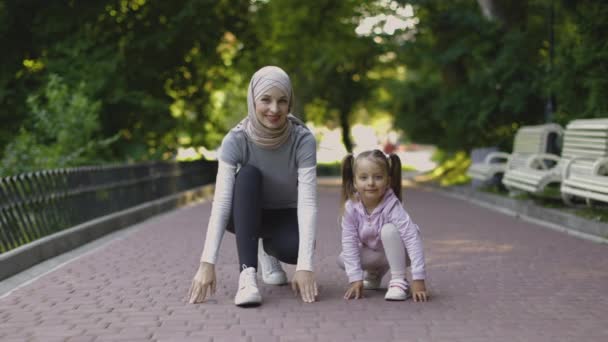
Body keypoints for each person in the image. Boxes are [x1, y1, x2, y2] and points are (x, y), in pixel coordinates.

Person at [188, 66, 319, 307]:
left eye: (282, 101)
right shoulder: (236, 139)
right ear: (252, 100)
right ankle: (247, 275)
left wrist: (305, 266)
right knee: (247, 175)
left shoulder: (303, 139)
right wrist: (207, 263)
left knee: (297, 248)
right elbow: (222, 203)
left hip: (284, 212)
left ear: (290, 104)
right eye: (266, 100)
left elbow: (308, 202)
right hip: (244, 212)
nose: (274, 109)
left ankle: (266, 249)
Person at [337, 149, 428, 302]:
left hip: (403, 252)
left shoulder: (392, 206)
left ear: (388, 181)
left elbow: (411, 238)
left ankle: (399, 280)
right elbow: (349, 242)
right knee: (343, 258)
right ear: (354, 182)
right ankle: (374, 274)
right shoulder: (351, 207)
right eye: (364, 177)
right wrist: (355, 278)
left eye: (378, 177)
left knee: (389, 230)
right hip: (379, 254)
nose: (371, 183)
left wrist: (418, 278)